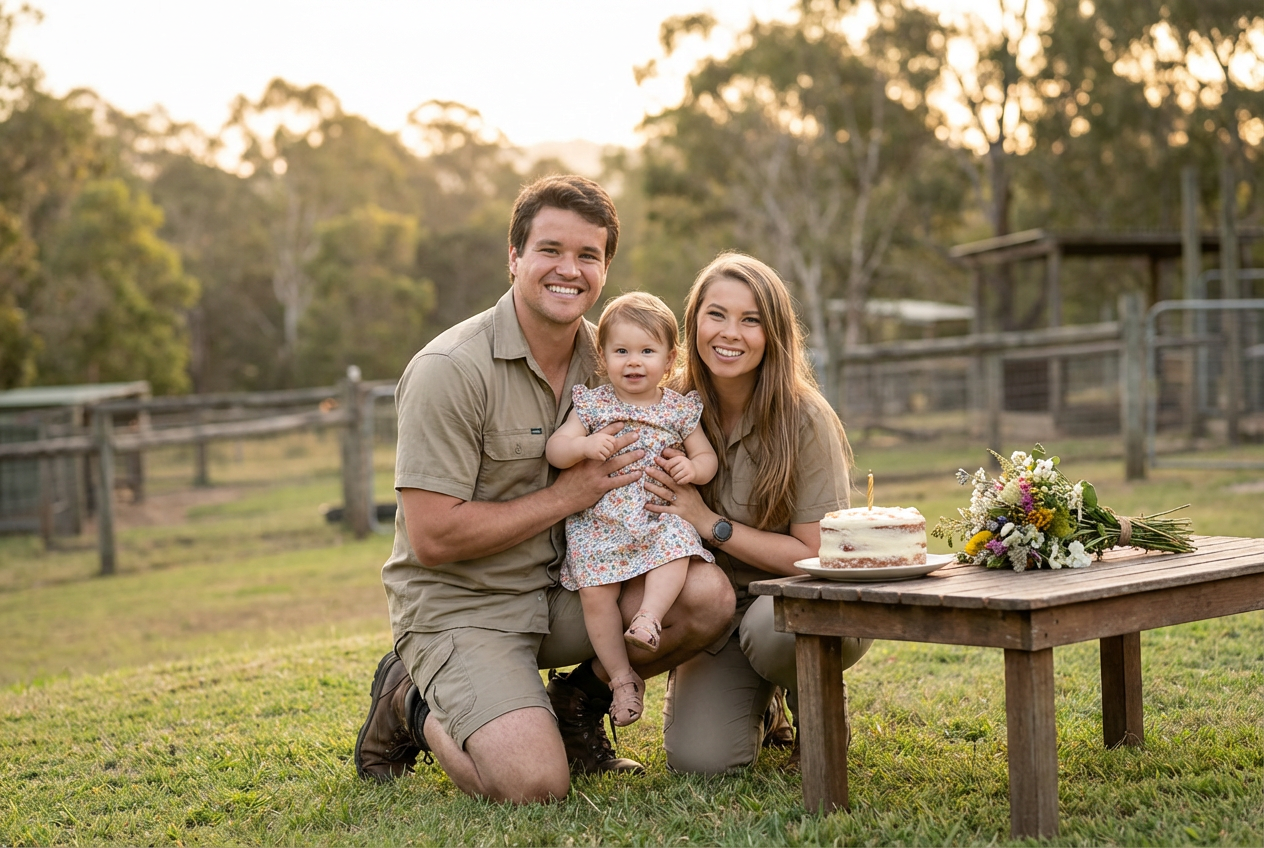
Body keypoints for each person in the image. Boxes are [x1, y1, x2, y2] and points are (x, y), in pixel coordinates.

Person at [352, 175, 735, 803]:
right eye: (550, 250)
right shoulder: (449, 371)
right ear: (514, 257)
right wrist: (568, 495)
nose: (569, 269)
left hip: (571, 586)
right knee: (533, 785)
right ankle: (414, 702)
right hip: (468, 605)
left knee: (705, 595)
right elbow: (433, 537)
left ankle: (577, 705)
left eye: (588, 255)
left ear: (606, 268)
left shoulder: (612, 358)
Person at [638, 252, 873, 774]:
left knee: (773, 631)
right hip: (716, 612)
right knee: (700, 761)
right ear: (694, 319)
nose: (730, 333)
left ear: (774, 333)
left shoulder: (804, 418)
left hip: (804, 601)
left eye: (751, 320)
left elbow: (817, 556)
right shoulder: (666, 406)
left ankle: (812, 701)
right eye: (716, 314)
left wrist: (709, 524)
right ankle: (761, 710)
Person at [545, 292, 718, 727]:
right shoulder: (594, 405)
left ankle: (649, 617)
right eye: (621, 351)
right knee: (595, 592)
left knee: (678, 543)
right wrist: (583, 445)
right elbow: (556, 448)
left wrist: (691, 468)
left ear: (670, 358)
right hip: (601, 524)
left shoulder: (678, 409)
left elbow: (707, 458)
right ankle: (622, 678)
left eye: (646, 351)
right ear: (603, 356)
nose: (634, 362)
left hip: (655, 515)